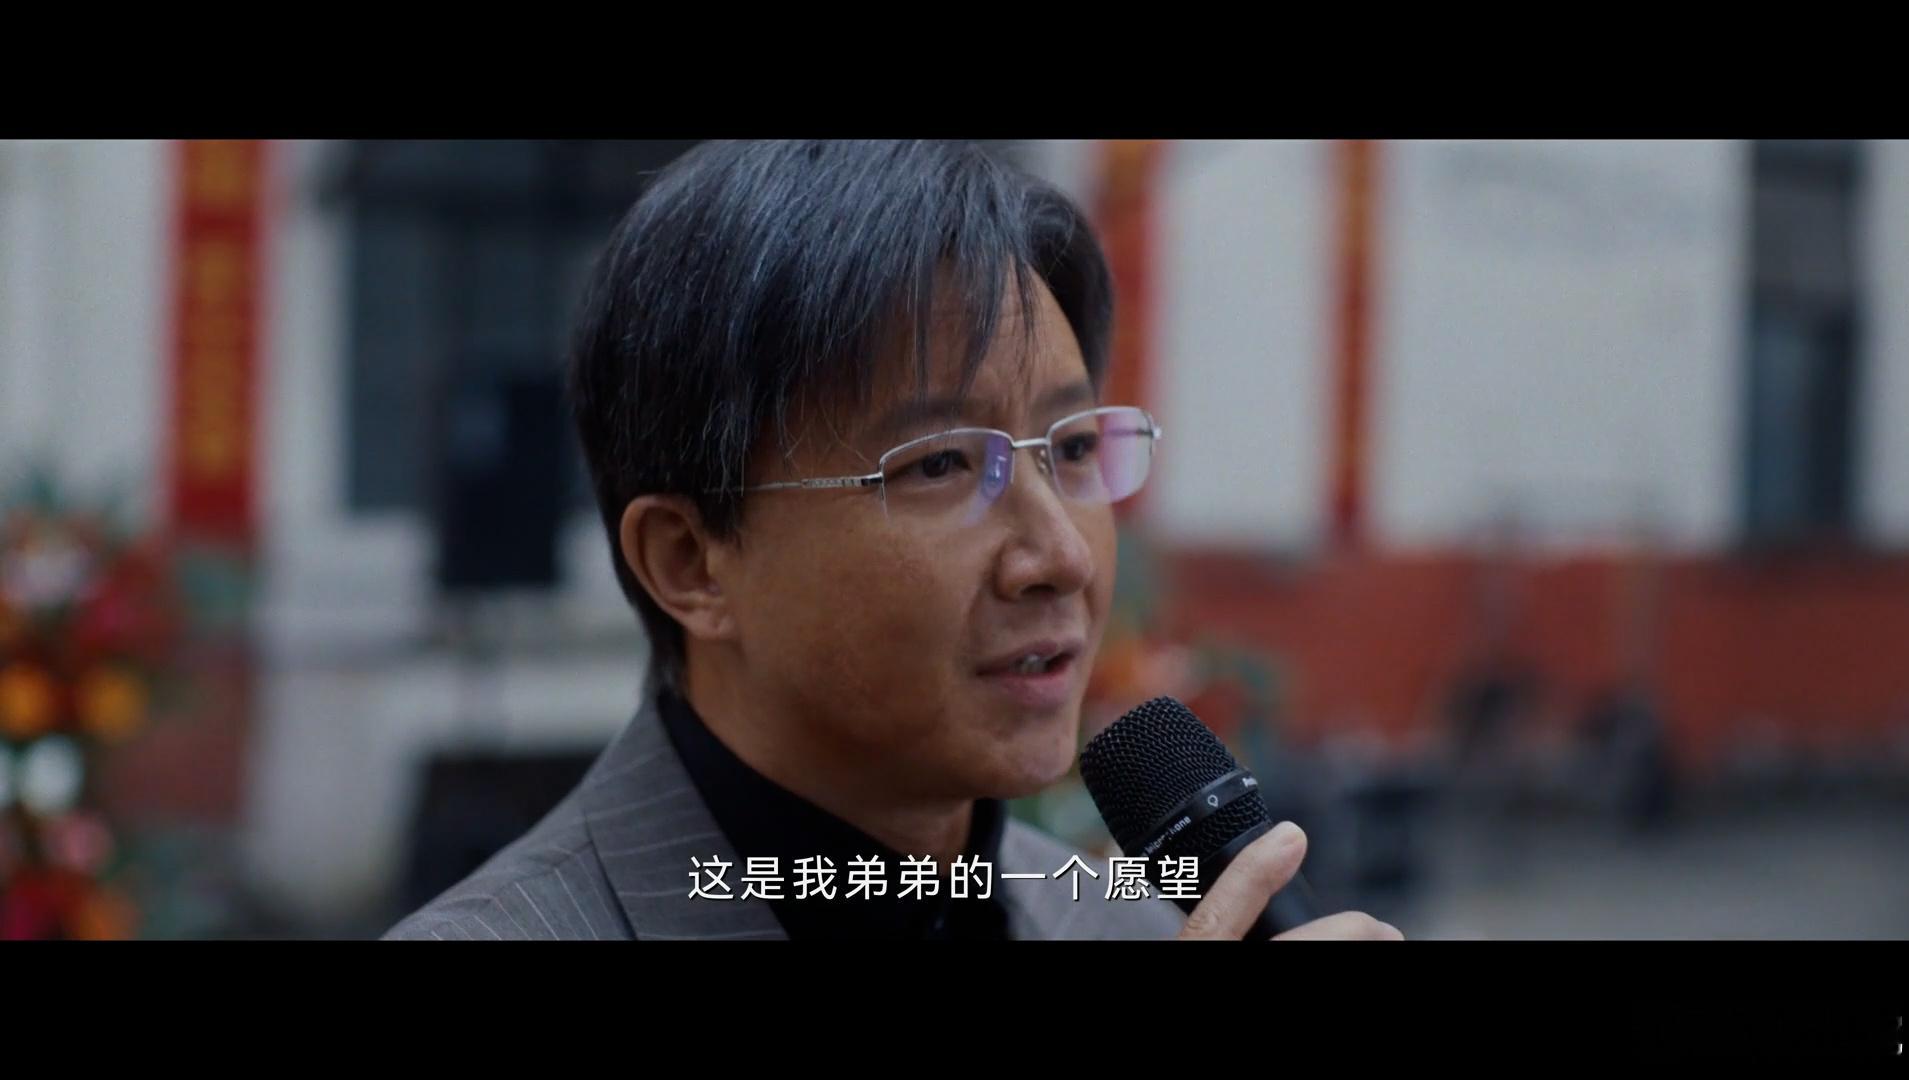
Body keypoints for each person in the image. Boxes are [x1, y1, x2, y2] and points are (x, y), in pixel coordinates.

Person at [385, 140, 1403, 941]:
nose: (1063, 558)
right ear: (690, 563)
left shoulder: (1121, 923)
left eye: (1071, 447)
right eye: (941, 464)